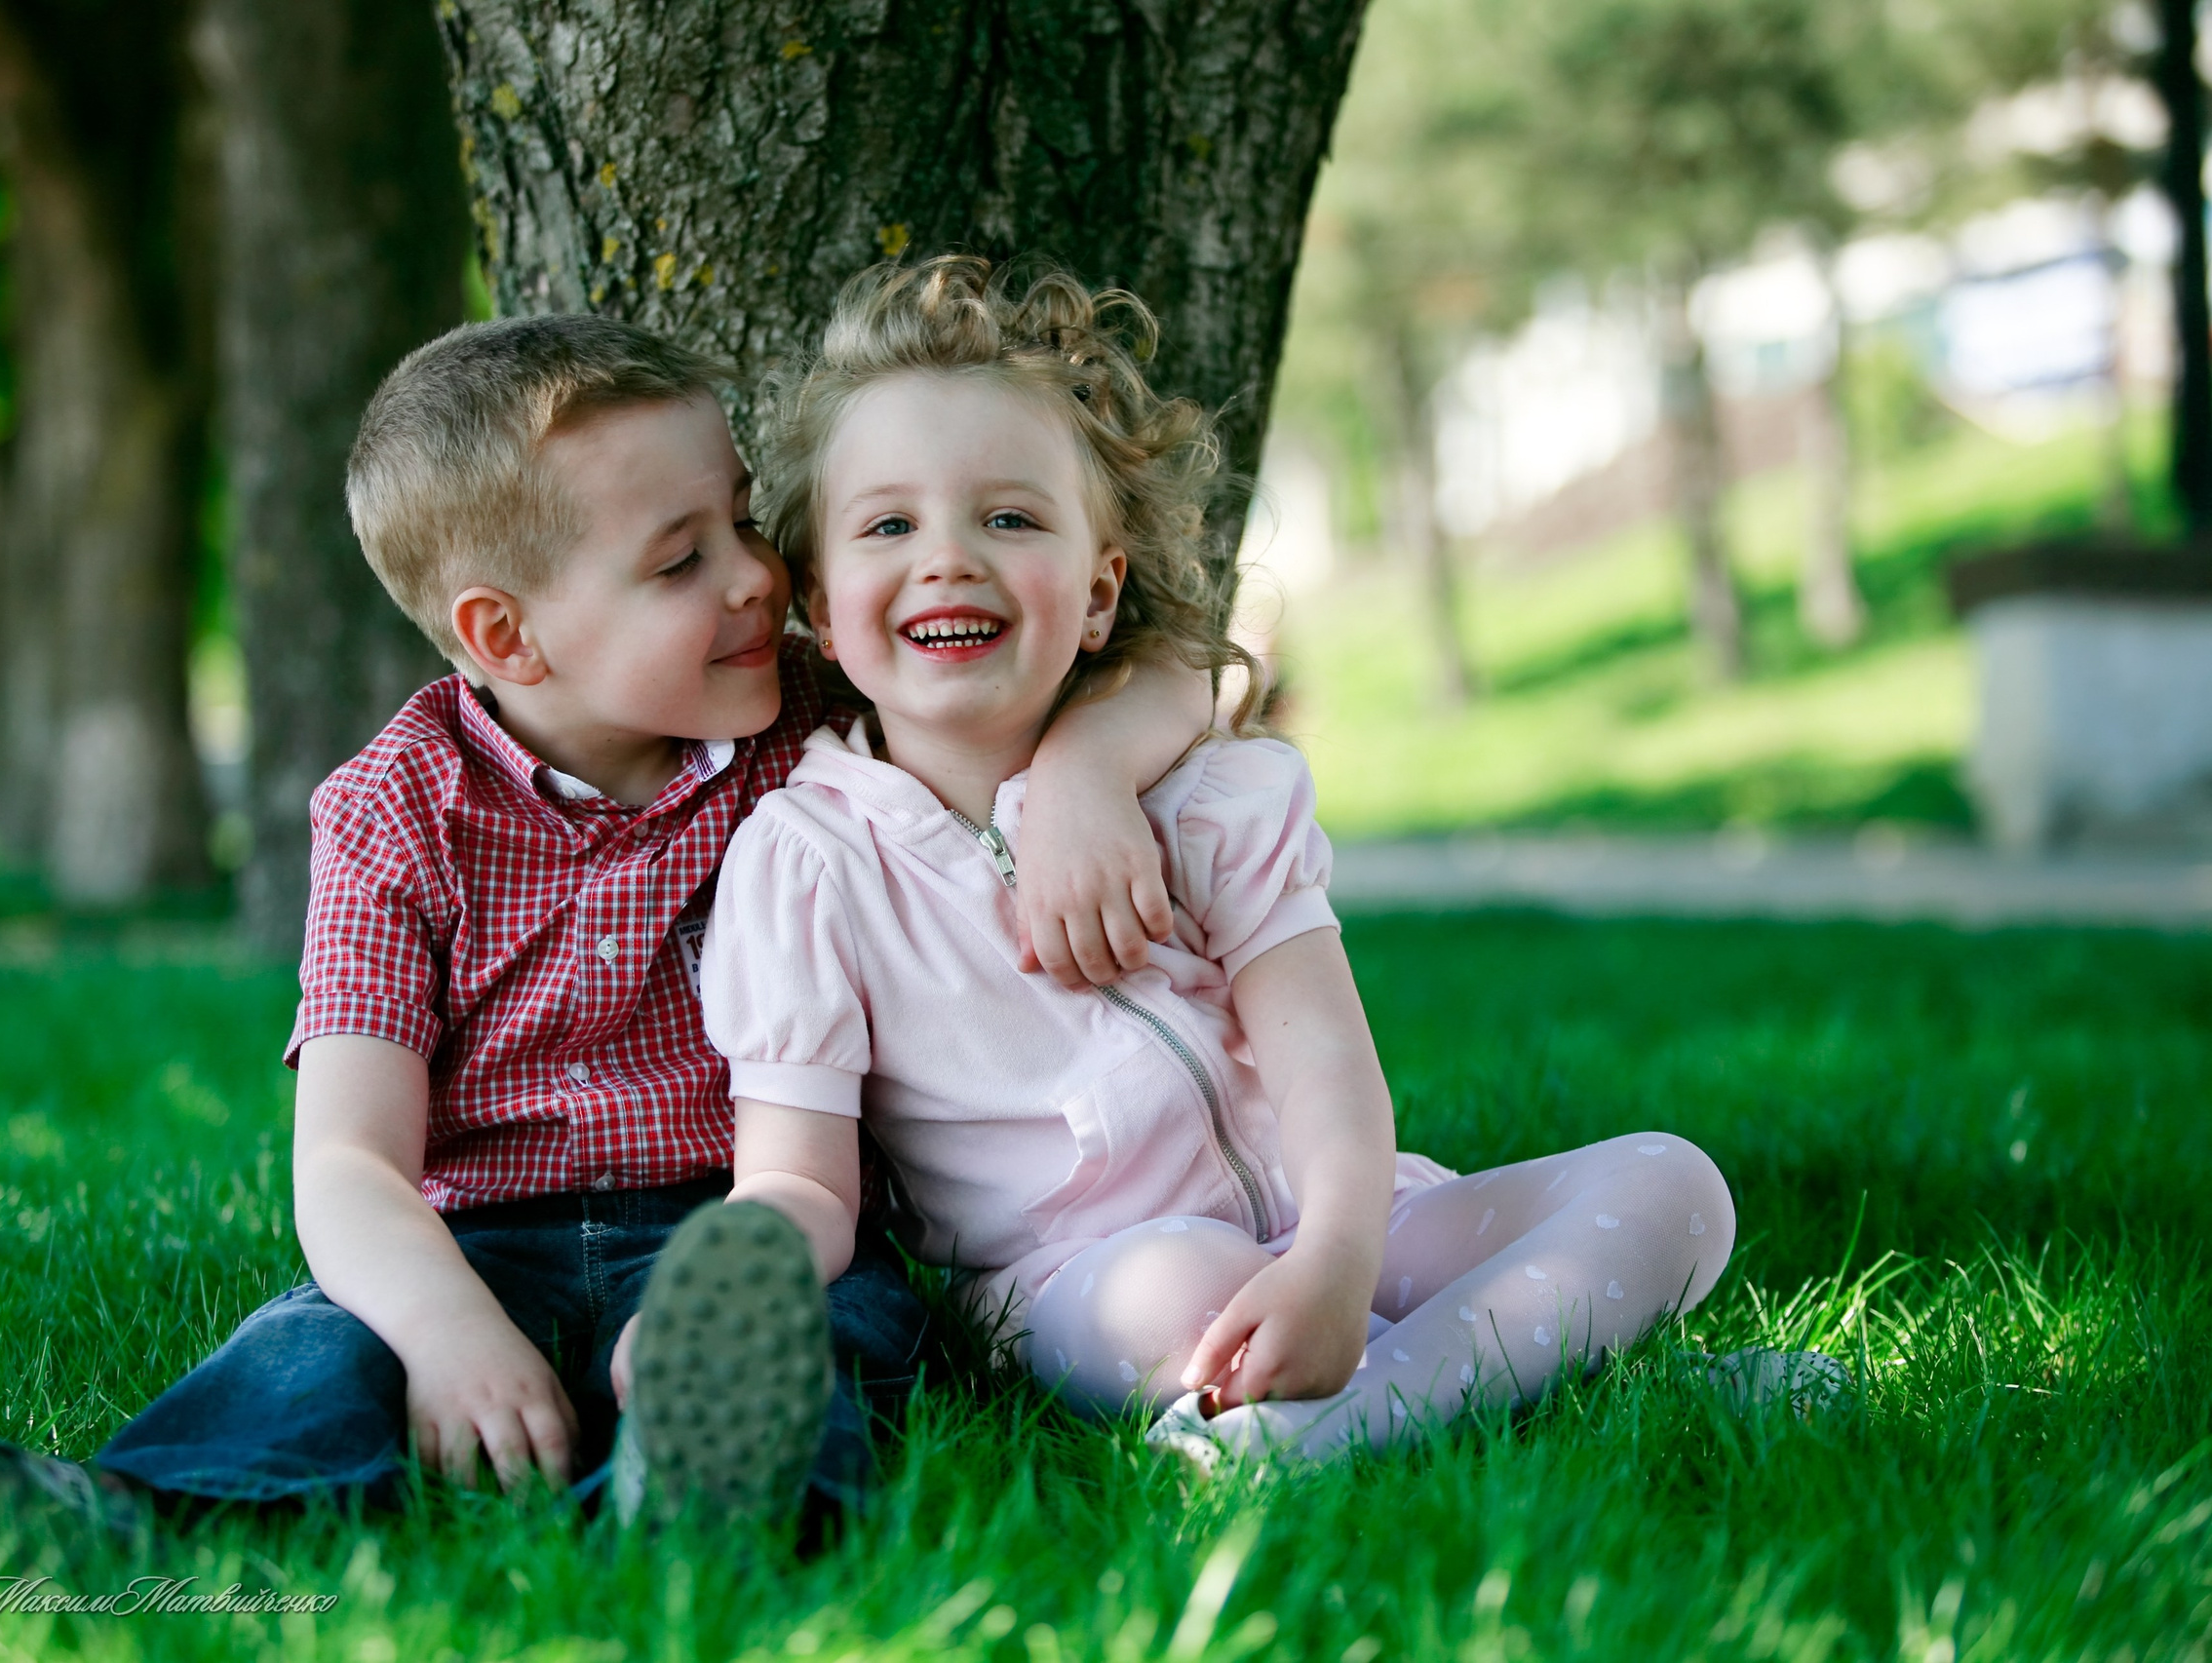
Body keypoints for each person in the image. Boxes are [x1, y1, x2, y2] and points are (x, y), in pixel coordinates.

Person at [0, 313, 1215, 1563]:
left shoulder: (810, 726)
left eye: (740, 521)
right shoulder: (394, 811)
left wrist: (1085, 772)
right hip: (472, 1242)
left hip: (753, 1221)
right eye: (680, 560)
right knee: (311, 1356)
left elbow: (1161, 664)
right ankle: (119, 1519)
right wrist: (444, 1327)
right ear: (507, 636)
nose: (757, 579)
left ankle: (692, 1501)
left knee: (824, 1331)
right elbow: (346, 1159)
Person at [700, 257, 1742, 1469]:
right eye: (889, 524)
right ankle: (1527, 1367)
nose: (947, 558)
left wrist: (1340, 1251)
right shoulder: (808, 862)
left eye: (1011, 517)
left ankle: (1348, 1413)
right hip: (1078, 1281)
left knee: (1676, 1183)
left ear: (1098, 596)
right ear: (823, 610)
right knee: (1177, 1278)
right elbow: (800, 1173)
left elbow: (1323, 1061)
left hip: (1350, 1213)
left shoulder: (1204, 797)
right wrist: (737, 1277)